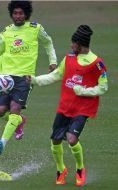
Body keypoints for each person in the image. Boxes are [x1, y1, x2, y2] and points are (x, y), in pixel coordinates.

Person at [0, 1, 57, 157]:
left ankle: (2, 142)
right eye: (15, 13)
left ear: (26, 14)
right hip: (6, 78)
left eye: (21, 13)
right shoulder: (6, 31)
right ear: (11, 14)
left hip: (25, 78)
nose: (18, 16)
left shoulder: (35, 28)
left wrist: (53, 61)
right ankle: (19, 121)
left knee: (15, 109)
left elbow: (48, 42)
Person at [32, 25, 108, 186]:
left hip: (83, 109)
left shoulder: (96, 63)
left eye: (73, 43)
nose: (71, 46)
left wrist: (83, 90)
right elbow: (56, 75)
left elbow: (103, 87)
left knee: (72, 139)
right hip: (65, 107)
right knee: (55, 141)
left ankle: (80, 168)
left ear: (80, 44)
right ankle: (61, 169)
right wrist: (35, 80)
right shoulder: (68, 58)